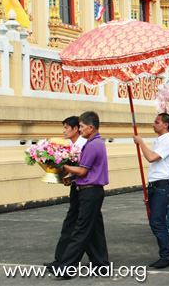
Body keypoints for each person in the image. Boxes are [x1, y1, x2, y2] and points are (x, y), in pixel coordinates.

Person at [52, 111, 109, 278]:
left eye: (82, 127)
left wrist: (62, 164)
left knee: (81, 230)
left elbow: (82, 171)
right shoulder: (96, 142)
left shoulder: (92, 145)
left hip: (90, 191)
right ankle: (101, 264)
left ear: (91, 127)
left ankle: (66, 268)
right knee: (95, 230)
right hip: (92, 191)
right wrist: (71, 174)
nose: (81, 130)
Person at [44, 116, 88, 270]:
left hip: (87, 191)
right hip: (77, 188)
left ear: (76, 129)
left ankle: (65, 262)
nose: (64, 131)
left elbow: (85, 169)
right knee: (81, 225)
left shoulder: (84, 145)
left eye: (66, 128)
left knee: (80, 226)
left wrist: (69, 173)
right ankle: (62, 259)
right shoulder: (69, 145)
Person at [133, 113, 169, 269]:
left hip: (162, 186)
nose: (153, 124)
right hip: (154, 185)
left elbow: (151, 158)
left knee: (157, 222)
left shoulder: (168, 142)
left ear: (165, 125)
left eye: (157, 122)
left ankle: (166, 255)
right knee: (155, 222)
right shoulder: (158, 141)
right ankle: (165, 253)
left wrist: (141, 142)